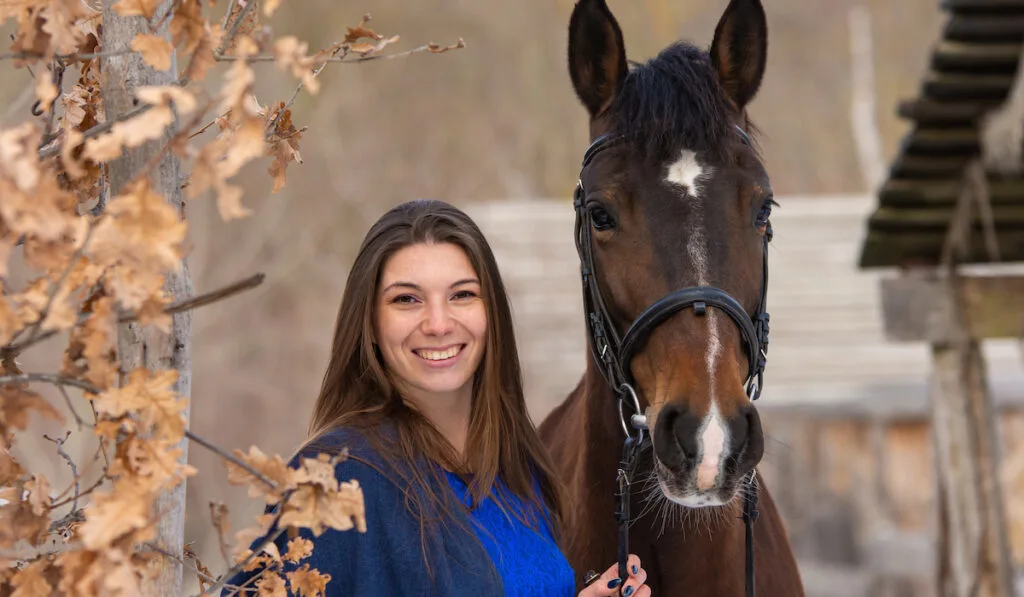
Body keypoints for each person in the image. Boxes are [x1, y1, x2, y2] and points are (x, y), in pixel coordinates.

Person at [225, 199, 651, 597]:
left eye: (462, 295)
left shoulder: (519, 474)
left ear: (492, 314)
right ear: (370, 323)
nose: (438, 323)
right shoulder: (339, 479)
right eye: (406, 299)